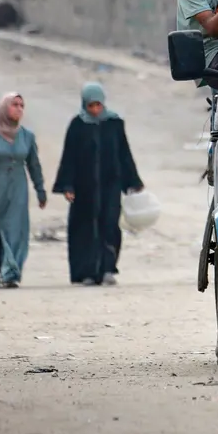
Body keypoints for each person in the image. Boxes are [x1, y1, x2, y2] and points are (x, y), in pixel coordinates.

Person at [52, 84, 143, 286]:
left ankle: (108, 269)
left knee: (110, 226)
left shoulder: (115, 123)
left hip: (110, 186)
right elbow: (69, 157)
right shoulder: (77, 125)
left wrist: (133, 181)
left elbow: (124, 154)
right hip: (84, 189)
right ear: (85, 104)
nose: (95, 110)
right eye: (91, 105)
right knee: (84, 229)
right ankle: (87, 272)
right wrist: (67, 185)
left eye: (98, 105)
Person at [0, 93, 46, 289]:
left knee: (15, 230)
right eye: (15, 105)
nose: (19, 109)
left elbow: (34, 165)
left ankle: (11, 273)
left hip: (18, 190)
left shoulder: (27, 136)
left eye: (22, 105)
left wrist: (40, 189)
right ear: (4, 108)